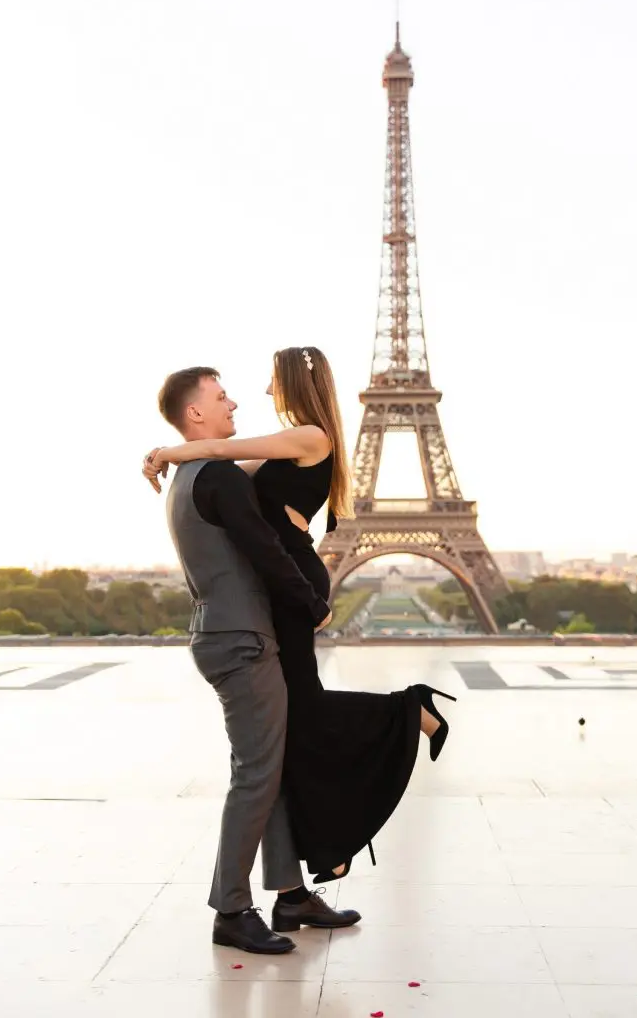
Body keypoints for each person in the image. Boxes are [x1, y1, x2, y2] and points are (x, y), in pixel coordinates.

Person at [145, 348, 455, 883]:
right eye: (225, 395)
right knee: (300, 721)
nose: (261, 393)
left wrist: (168, 450)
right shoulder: (278, 451)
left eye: (270, 381)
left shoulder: (311, 437)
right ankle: (323, 852)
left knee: (302, 715)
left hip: (294, 583)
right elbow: (218, 469)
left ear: (291, 382)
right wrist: (174, 454)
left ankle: (408, 713)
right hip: (284, 583)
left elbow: (216, 449)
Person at [154, 365, 362, 956]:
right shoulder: (215, 477)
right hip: (241, 638)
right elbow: (266, 548)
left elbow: (260, 474)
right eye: (220, 397)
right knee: (256, 774)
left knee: (266, 766)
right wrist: (311, 602)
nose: (234, 402)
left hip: (226, 633)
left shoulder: (193, 477)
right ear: (195, 413)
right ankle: (231, 908)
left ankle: (291, 893)